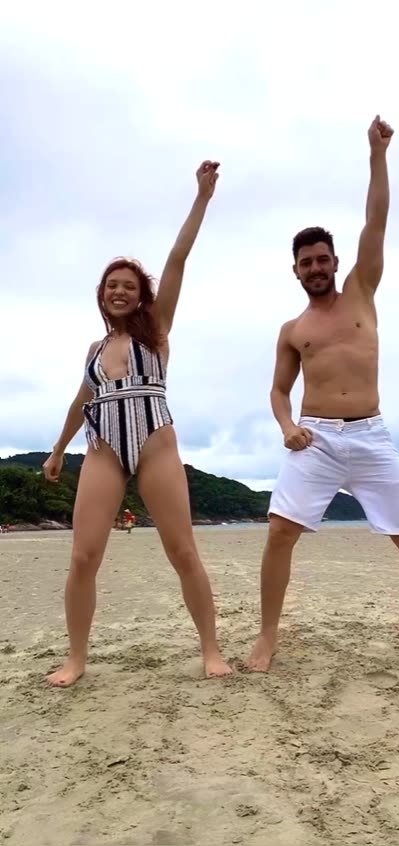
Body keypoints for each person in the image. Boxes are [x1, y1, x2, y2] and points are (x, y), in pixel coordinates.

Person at [248, 117, 399, 671]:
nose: (316, 268)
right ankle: (267, 636)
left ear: (336, 262)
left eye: (323, 259)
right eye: (306, 262)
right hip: (315, 439)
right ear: (295, 271)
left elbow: (377, 220)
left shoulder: (362, 293)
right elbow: (278, 391)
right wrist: (287, 427)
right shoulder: (293, 329)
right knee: (280, 533)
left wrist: (378, 155)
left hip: (371, 434)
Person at [43, 160, 232, 686]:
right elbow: (80, 401)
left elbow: (177, 259)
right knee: (83, 556)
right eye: (111, 286)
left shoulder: (157, 331)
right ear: (101, 294)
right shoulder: (94, 349)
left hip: (155, 444)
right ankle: (76, 658)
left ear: (141, 294)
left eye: (128, 285)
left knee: (182, 550)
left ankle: (211, 649)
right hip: (103, 448)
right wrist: (57, 450)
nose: (119, 292)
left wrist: (202, 197)